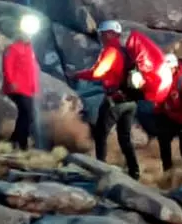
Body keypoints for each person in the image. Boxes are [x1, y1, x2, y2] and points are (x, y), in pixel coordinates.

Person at [66, 20, 167, 179]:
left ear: (110, 34)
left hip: (115, 101)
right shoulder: (126, 51)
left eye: (103, 33)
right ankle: (134, 172)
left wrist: (77, 75)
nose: (100, 36)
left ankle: (100, 170)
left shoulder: (111, 51)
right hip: (131, 102)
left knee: (100, 134)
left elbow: (98, 73)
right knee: (125, 138)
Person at [150, 53, 182, 178]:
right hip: (170, 116)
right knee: (163, 142)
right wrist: (158, 111)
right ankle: (168, 173)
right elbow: (162, 97)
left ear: (174, 67)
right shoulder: (165, 79)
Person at [2, 13, 42, 151]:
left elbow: (32, 70)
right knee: (27, 114)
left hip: (27, 89)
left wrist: (35, 88)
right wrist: (11, 81)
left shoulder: (30, 49)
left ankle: (14, 142)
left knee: (27, 116)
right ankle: (21, 144)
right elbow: (7, 65)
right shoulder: (13, 48)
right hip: (17, 88)